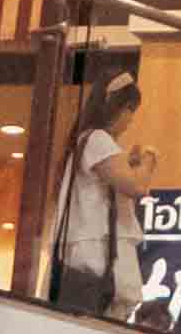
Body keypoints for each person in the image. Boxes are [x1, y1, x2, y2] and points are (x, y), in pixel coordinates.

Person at [45, 79, 138, 317]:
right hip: (96, 254)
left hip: (83, 259)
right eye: (131, 111)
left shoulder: (84, 141)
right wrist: (150, 160)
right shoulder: (97, 139)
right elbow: (136, 186)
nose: (131, 121)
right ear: (121, 107)